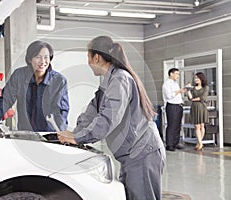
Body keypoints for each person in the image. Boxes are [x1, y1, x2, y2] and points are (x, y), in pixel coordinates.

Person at [57, 36, 165, 200]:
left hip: (143, 153)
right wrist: (72, 135)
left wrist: (78, 138)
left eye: (88, 57)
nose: (88, 62)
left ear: (96, 57)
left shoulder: (120, 79)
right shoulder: (108, 82)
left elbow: (108, 119)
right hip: (131, 155)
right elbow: (92, 112)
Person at [0, 40, 69, 131]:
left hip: (49, 136)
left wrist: (60, 134)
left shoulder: (59, 81)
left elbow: (61, 112)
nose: (43, 61)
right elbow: (5, 100)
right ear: (30, 59)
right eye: (38, 57)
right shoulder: (19, 75)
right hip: (25, 135)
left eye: (46, 57)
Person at [162, 68, 187, 151]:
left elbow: (177, 95)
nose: (178, 76)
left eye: (178, 74)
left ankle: (175, 143)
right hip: (172, 106)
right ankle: (169, 144)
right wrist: (179, 91)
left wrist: (181, 91)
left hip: (179, 106)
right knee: (172, 125)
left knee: (177, 125)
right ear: (171, 74)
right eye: (176, 74)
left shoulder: (176, 83)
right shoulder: (166, 84)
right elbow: (169, 96)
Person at [186, 72, 209, 151]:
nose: (196, 80)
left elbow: (203, 98)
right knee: (197, 126)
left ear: (201, 79)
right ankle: (200, 143)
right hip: (194, 107)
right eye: (195, 78)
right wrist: (188, 90)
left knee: (202, 125)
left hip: (202, 107)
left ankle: (199, 143)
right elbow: (190, 97)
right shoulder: (193, 88)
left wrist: (193, 99)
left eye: (197, 78)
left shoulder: (205, 87)